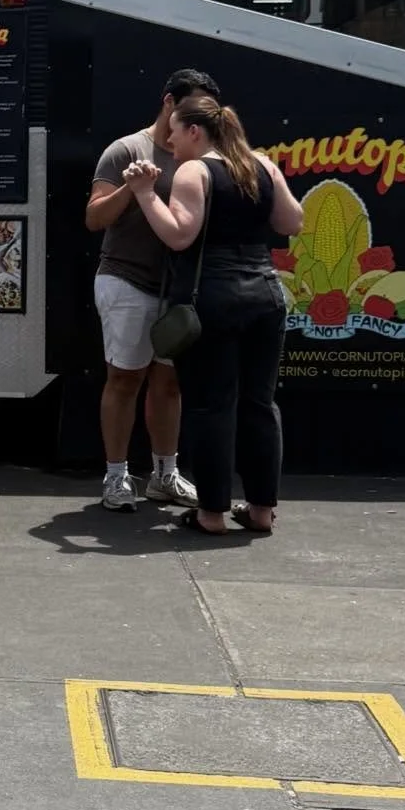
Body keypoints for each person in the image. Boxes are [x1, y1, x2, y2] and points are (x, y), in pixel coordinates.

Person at [124, 94, 304, 536]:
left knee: (211, 405)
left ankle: (211, 514)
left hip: (214, 300)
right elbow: (292, 222)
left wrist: (145, 194)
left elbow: (179, 236)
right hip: (265, 295)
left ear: (195, 132)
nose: (169, 139)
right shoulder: (263, 165)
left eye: (175, 131)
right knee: (260, 404)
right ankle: (261, 510)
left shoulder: (194, 169)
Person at [86, 68, 220, 512]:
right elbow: (94, 219)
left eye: (204, 112)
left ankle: (165, 474)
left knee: (170, 385)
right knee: (124, 379)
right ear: (168, 103)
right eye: (190, 109)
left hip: (178, 290)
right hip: (126, 279)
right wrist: (132, 185)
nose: (196, 119)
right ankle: (116, 476)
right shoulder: (126, 149)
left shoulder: (200, 154)